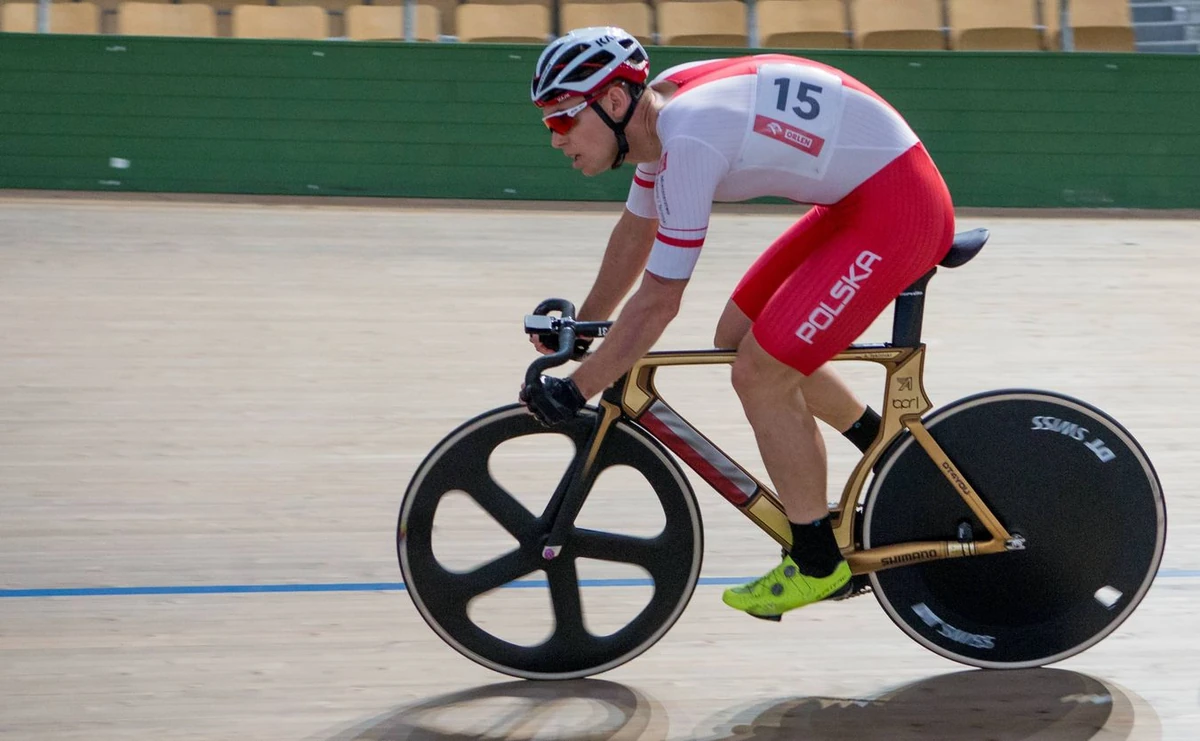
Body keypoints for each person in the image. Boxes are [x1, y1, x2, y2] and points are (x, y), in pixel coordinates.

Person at [519, 27, 955, 619]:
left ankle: (818, 563)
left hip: (898, 209)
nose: (555, 138)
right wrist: (588, 325)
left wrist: (577, 389)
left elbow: (659, 301)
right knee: (736, 339)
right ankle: (891, 453)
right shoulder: (661, 116)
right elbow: (636, 232)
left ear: (615, 101)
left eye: (564, 118)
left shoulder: (687, 138)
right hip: (860, 199)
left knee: (760, 373)